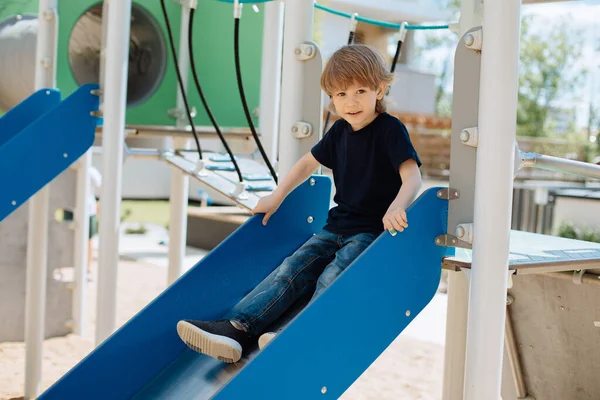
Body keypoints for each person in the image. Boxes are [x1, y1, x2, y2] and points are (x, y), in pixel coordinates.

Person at [176, 44, 423, 363]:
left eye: (360, 90)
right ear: (331, 98)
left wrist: (397, 206)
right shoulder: (339, 131)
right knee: (291, 269)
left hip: (369, 233)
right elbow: (307, 163)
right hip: (335, 227)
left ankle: (297, 334)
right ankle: (238, 330)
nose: (350, 102)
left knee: (332, 275)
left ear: (380, 89)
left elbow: (413, 176)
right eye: (340, 94)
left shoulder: (390, 130)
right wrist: (277, 197)